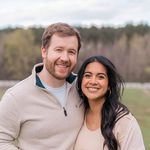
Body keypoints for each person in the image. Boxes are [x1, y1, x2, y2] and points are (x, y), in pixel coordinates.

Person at [0, 22, 84, 150]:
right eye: (59, 50)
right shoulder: (16, 97)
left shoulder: (83, 89)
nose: (65, 58)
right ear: (44, 52)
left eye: (71, 52)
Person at [74, 55, 145, 150]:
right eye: (88, 75)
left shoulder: (124, 121)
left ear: (109, 85)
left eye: (100, 77)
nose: (93, 81)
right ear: (81, 81)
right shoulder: (79, 113)